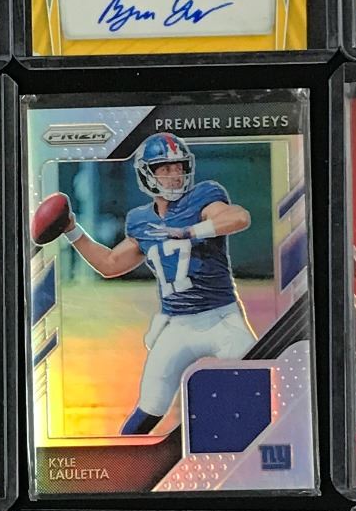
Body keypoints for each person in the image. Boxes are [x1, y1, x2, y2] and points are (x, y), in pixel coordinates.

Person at [36, 131, 252, 436]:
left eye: (179, 167)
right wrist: (72, 231)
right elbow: (110, 264)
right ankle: (123, 465)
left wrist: (191, 231)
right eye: (165, 168)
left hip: (222, 319)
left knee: (257, 389)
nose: (174, 175)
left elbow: (239, 217)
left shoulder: (204, 197)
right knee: (149, 407)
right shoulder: (140, 220)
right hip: (177, 326)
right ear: (148, 174)